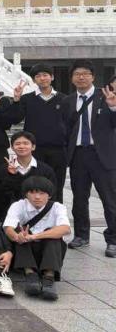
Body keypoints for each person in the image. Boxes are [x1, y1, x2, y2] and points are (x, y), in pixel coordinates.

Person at [61, 60, 116, 254]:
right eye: (77, 74)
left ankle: (113, 239)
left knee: (109, 199)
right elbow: (65, 129)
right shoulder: (68, 101)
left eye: (85, 73)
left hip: (102, 155)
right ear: (72, 78)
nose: (81, 77)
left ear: (93, 76)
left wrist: (113, 107)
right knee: (79, 198)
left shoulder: (106, 95)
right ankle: (81, 235)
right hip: (78, 155)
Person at [3, 176, 71, 301]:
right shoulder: (18, 205)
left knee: (54, 235)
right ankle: (30, 275)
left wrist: (35, 236)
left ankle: (49, 278)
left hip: (49, 252)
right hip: (25, 253)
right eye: (33, 193)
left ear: (49, 195)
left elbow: (65, 229)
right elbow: (8, 227)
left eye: (42, 193)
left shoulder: (57, 207)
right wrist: (17, 237)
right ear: (26, 194)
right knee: (20, 232)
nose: (37, 197)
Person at [21, 64, 67, 202]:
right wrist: (16, 100)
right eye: (38, 76)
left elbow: (71, 124)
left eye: (45, 75)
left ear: (52, 77)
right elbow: (14, 118)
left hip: (58, 150)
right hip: (35, 150)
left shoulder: (64, 99)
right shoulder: (27, 99)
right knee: (34, 186)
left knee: (57, 186)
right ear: (33, 80)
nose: (42, 78)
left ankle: (57, 213)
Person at [0, 131, 57, 221]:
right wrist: (11, 175)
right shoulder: (4, 169)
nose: (22, 146)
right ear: (12, 147)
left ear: (33, 147)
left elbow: (52, 194)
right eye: (17, 144)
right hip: (12, 215)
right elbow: (0, 196)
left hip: (39, 215)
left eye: (26, 143)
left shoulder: (46, 170)